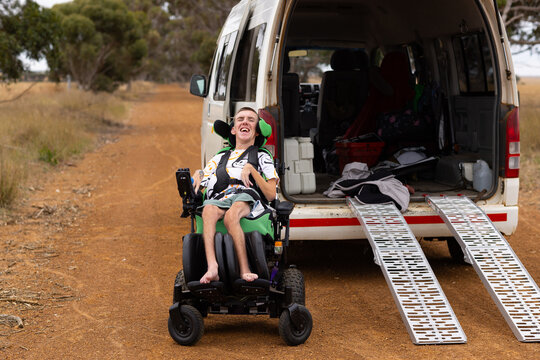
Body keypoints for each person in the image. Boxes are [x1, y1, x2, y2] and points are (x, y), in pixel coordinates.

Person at [192, 107, 279, 284]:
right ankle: (212, 267)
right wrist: (197, 174)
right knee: (208, 209)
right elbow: (202, 182)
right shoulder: (219, 157)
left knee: (232, 216)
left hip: (248, 198)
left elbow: (270, 194)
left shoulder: (262, 156)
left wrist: (252, 170)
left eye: (250, 119)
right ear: (233, 129)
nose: (245, 121)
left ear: (257, 131)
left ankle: (244, 269)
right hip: (221, 197)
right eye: (240, 119)